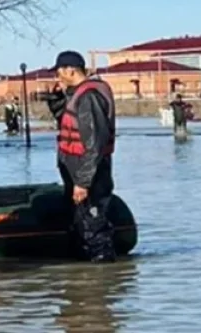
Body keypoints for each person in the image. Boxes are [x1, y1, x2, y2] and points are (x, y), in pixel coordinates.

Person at [48, 50, 117, 263]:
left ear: (71, 70)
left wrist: (83, 182)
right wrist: (56, 98)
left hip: (88, 171)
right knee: (80, 224)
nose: (57, 76)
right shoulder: (76, 94)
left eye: (59, 71)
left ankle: (102, 280)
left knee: (93, 224)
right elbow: (66, 120)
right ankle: (83, 283)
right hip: (76, 168)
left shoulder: (89, 96)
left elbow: (94, 142)